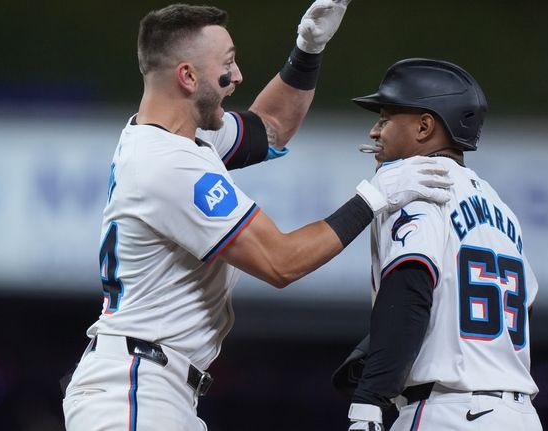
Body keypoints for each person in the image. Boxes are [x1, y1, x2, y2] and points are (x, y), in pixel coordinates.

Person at [61, 3, 454, 430]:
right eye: (227, 64)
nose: (238, 75)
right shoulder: (166, 163)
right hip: (136, 388)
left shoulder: (178, 134)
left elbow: (270, 126)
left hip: (152, 384)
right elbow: (280, 262)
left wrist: (308, 48)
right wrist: (375, 196)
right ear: (188, 77)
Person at [333, 58, 543, 431]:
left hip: (449, 413)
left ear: (424, 126)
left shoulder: (412, 186)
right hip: (521, 415)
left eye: (385, 118)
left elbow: (410, 291)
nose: (373, 131)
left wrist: (370, 400)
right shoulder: (502, 209)